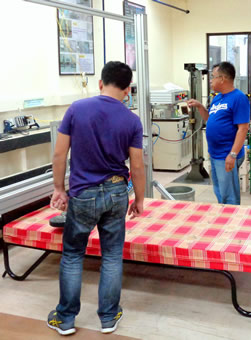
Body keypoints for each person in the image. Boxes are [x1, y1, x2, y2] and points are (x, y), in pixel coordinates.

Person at [47, 61, 145, 335]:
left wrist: (59, 189)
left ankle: (65, 318)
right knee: (112, 255)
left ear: (100, 83)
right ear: (127, 90)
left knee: (73, 255)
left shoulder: (77, 110)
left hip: (83, 194)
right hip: (116, 193)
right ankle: (109, 317)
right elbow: (137, 166)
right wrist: (139, 199)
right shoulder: (131, 120)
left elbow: (59, 154)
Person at [187, 62, 250, 205]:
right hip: (215, 154)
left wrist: (232, 155)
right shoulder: (217, 98)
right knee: (220, 191)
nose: (210, 80)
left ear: (223, 79)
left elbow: (243, 128)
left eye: (213, 77)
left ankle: (232, 221)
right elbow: (210, 120)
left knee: (229, 195)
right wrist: (200, 106)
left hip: (227, 154)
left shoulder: (238, 98)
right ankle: (224, 218)